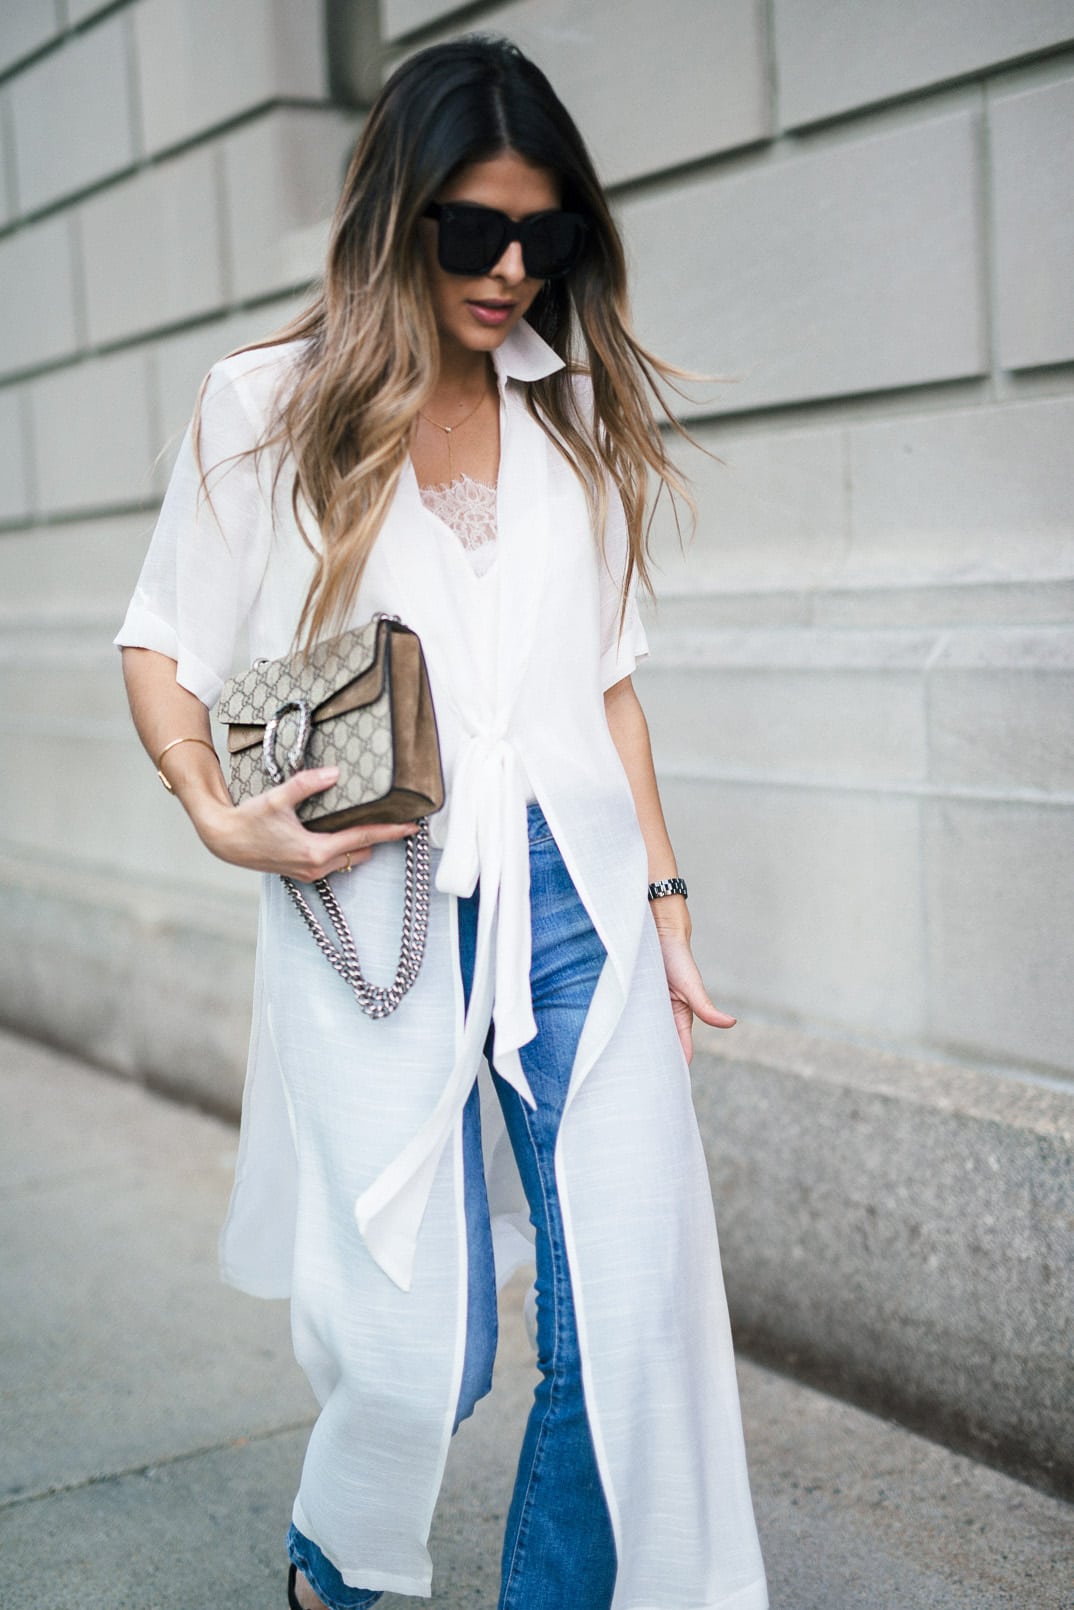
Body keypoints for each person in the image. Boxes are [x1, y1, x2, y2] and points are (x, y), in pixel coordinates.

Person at [117, 34, 768, 1610]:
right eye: (472, 230)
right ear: (395, 217)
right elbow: (162, 648)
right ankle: (335, 1567)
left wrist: (665, 908)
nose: (512, 269)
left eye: (543, 236)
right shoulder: (262, 410)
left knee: (625, 1314)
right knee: (421, 1341)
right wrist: (224, 819)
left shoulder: (565, 411)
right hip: (374, 900)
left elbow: (607, 689)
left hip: (571, 897)